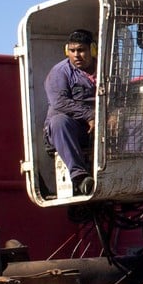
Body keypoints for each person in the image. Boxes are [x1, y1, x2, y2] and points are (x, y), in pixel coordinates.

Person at [45, 29, 98, 195]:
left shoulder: (106, 68)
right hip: (71, 130)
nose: (76, 55)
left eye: (81, 50)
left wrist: (113, 115)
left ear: (93, 49)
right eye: (72, 51)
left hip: (101, 128)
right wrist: (90, 115)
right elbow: (59, 102)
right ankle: (80, 178)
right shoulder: (59, 72)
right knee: (59, 121)